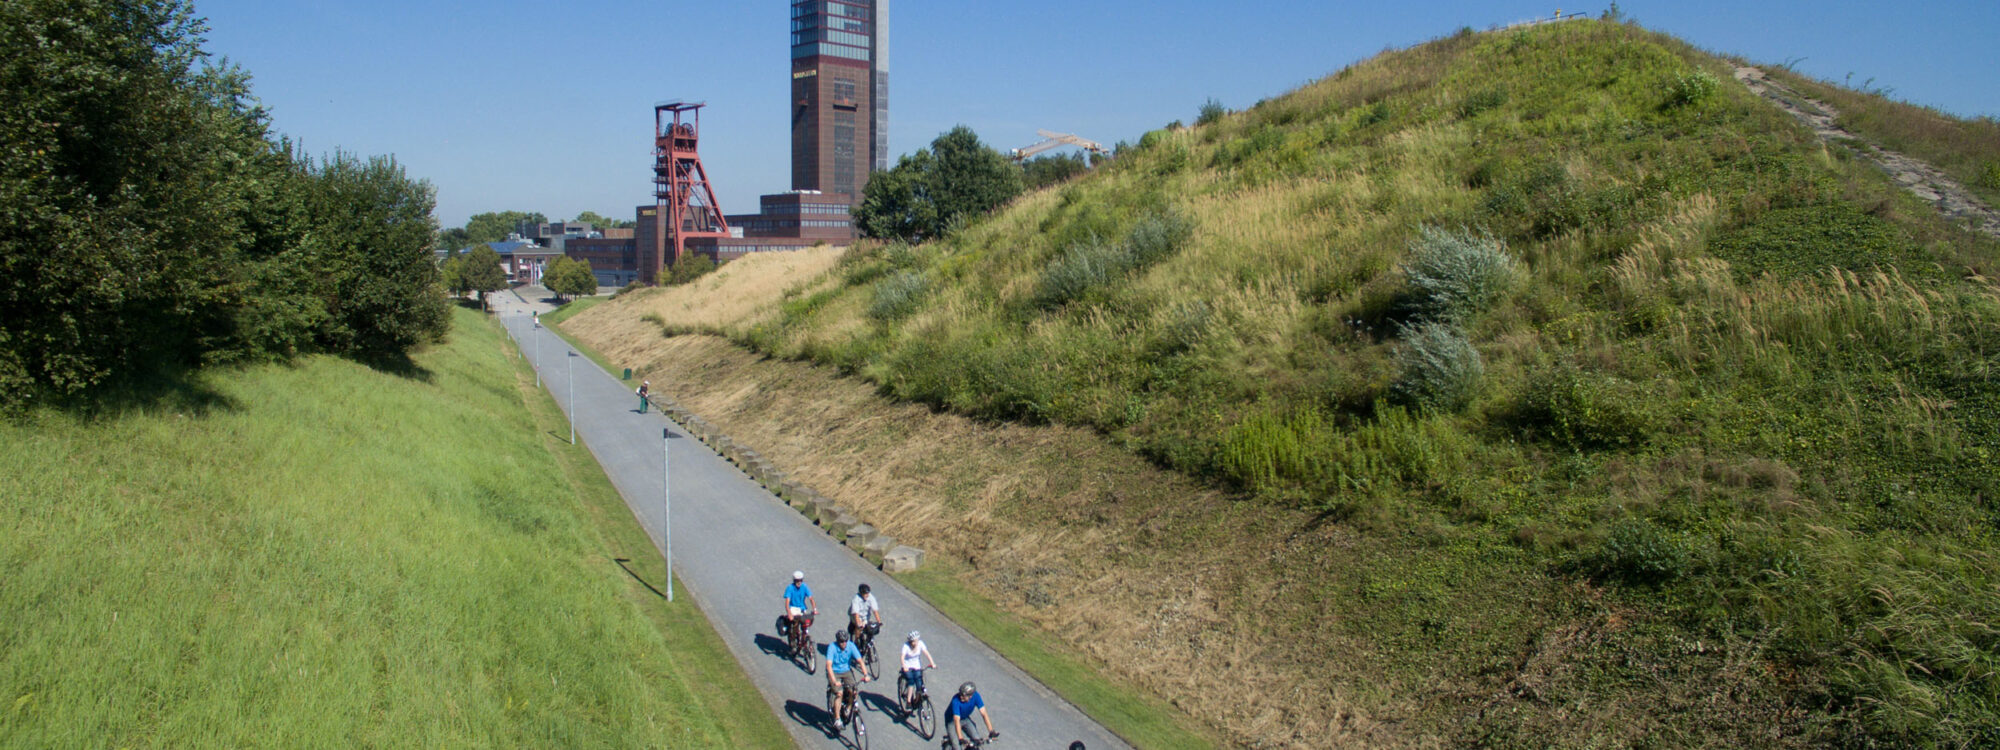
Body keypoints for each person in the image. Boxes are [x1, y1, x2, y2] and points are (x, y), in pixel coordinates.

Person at [824, 629, 872, 730]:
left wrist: (866, 674)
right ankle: (837, 719)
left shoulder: (850, 646)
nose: (844, 643)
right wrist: (834, 681)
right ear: (837, 641)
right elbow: (828, 666)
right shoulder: (832, 648)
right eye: (842, 641)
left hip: (846, 671)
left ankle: (848, 708)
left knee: (853, 691)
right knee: (839, 693)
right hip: (834, 672)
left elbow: (860, 661)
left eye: (845, 641)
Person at [945, 681, 998, 746]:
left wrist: (991, 731)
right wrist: (960, 738)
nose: (961, 697)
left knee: (977, 740)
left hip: (965, 718)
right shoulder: (955, 701)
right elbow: (956, 720)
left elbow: (984, 713)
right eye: (960, 694)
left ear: (970, 696)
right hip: (952, 721)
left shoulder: (976, 696)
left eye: (963, 695)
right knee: (957, 746)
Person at [898, 630, 937, 709]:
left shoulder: (920, 644)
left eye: (916, 641)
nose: (915, 643)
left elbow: (926, 653)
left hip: (917, 666)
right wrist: (904, 666)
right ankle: (908, 701)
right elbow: (902, 657)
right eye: (913, 641)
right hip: (907, 667)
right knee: (911, 681)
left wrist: (932, 663)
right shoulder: (906, 646)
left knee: (919, 683)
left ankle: (916, 700)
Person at [781, 571, 816, 644]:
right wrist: (789, 613)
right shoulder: (790, 588)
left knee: (806, 623)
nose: (799, 582)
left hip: (802, 609)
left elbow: (811, 599)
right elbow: (787, 603)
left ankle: (804, 639)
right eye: (797, 580)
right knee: (795, 625)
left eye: (800, 580)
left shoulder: (804, 587)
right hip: (793, 609)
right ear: (794, 580)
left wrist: (814, 609)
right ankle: (793, 641)